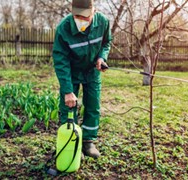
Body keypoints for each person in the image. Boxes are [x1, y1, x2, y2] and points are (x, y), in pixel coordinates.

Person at [52, 0, 112, 159]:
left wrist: (101, 57)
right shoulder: (63, 28)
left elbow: (106, 43)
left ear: (94, 12)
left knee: (93, 105)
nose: (82, 20)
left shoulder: (103, 23)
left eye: (86, 17)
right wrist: (67, 90)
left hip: (92, 71)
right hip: (71, 72)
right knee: (68, 107)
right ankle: (72, 144)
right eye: (77, 16)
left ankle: (88, 141)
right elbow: (60, 60)